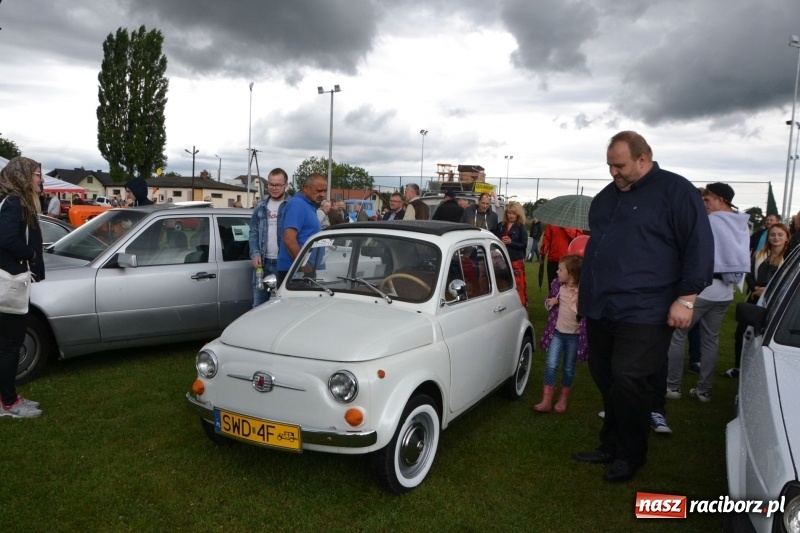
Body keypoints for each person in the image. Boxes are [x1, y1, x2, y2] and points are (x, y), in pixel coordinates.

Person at [573, 131, 714, 483]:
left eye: (619, 165)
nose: (613, 173)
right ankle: (610, 445)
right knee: (604, 376)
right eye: (609, 166)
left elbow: (698, 245)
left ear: (643, 159)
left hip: (647, 307)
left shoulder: (676, 191)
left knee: (630, 379)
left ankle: (630, 455)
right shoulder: (607, 197)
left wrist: (687, 298)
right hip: (602, 305)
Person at [665, 183, 750, 403]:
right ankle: (704, 391)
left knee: (677, 335)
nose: (705, 203)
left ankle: (672, 387)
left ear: (721, 199)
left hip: (701, 290)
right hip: (726, 292)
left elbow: (693, 251)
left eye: (708, 199)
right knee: (710, 340)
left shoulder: (711, 222)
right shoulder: (742, 223)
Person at [0, 157, 46, 418]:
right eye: (37, 174)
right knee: (9, 345)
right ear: (22, 176)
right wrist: (29, 254)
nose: (40, 179)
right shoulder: (14, 203)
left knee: (5, 345)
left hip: (9, 281)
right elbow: (5, 237)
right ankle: (9, 404)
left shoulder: (13, 200)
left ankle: (7, 397)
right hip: (10, 284)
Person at [724, 222, 791, 378]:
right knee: (741, 332)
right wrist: (755, 288)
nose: (776, 238)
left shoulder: (789, 258)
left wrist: (767, 291)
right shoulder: (759, 254)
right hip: (754, 297)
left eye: (780, 234)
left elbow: (785, 280)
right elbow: (748, 273)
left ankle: (760, 372)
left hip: (775, 300)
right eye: (773, 234)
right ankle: (738, 367)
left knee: (765, 336)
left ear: (787, 237)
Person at [535, 254, 586, 413]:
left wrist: (580, 303)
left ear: (571, 273)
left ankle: (563, 400)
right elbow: (548, 301)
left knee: (568, 368)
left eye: (560, 269)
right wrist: (550, 303)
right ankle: (547, 400)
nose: (557, 272)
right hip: (557, 333)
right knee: (551, 364)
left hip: (574, 336)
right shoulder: (557, 286)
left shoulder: (583, 292)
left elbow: (585, 315)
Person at [249, 168, 289, 307]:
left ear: (286, 185)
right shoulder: (260, 206)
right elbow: (253, 231)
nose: (274, 188)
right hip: (263, 265)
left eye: (278, 185)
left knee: (283, 307)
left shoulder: (292, 206)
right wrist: (254, 253)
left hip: (284, 264)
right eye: (271, 184)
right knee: (259, 307)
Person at [277, 173, 327, 285]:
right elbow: (289, 239)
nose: (323, 194)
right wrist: (305, 267)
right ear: (306, 188)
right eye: (319, 191)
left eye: (324, 191)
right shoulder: (297, 205)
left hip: (303, 270)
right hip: (296, 271)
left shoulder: (308, 205)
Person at [496, 201, 528, 307]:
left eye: (514, 213)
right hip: (502, 261)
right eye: (509, 213)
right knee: (504, 285)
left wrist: (511, 243)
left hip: (515, 261)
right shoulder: (501, 225)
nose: (511, 215)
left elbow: (523, 245)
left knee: (518, 287)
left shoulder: (521, 227)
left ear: (518, 214)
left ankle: (521, 308)